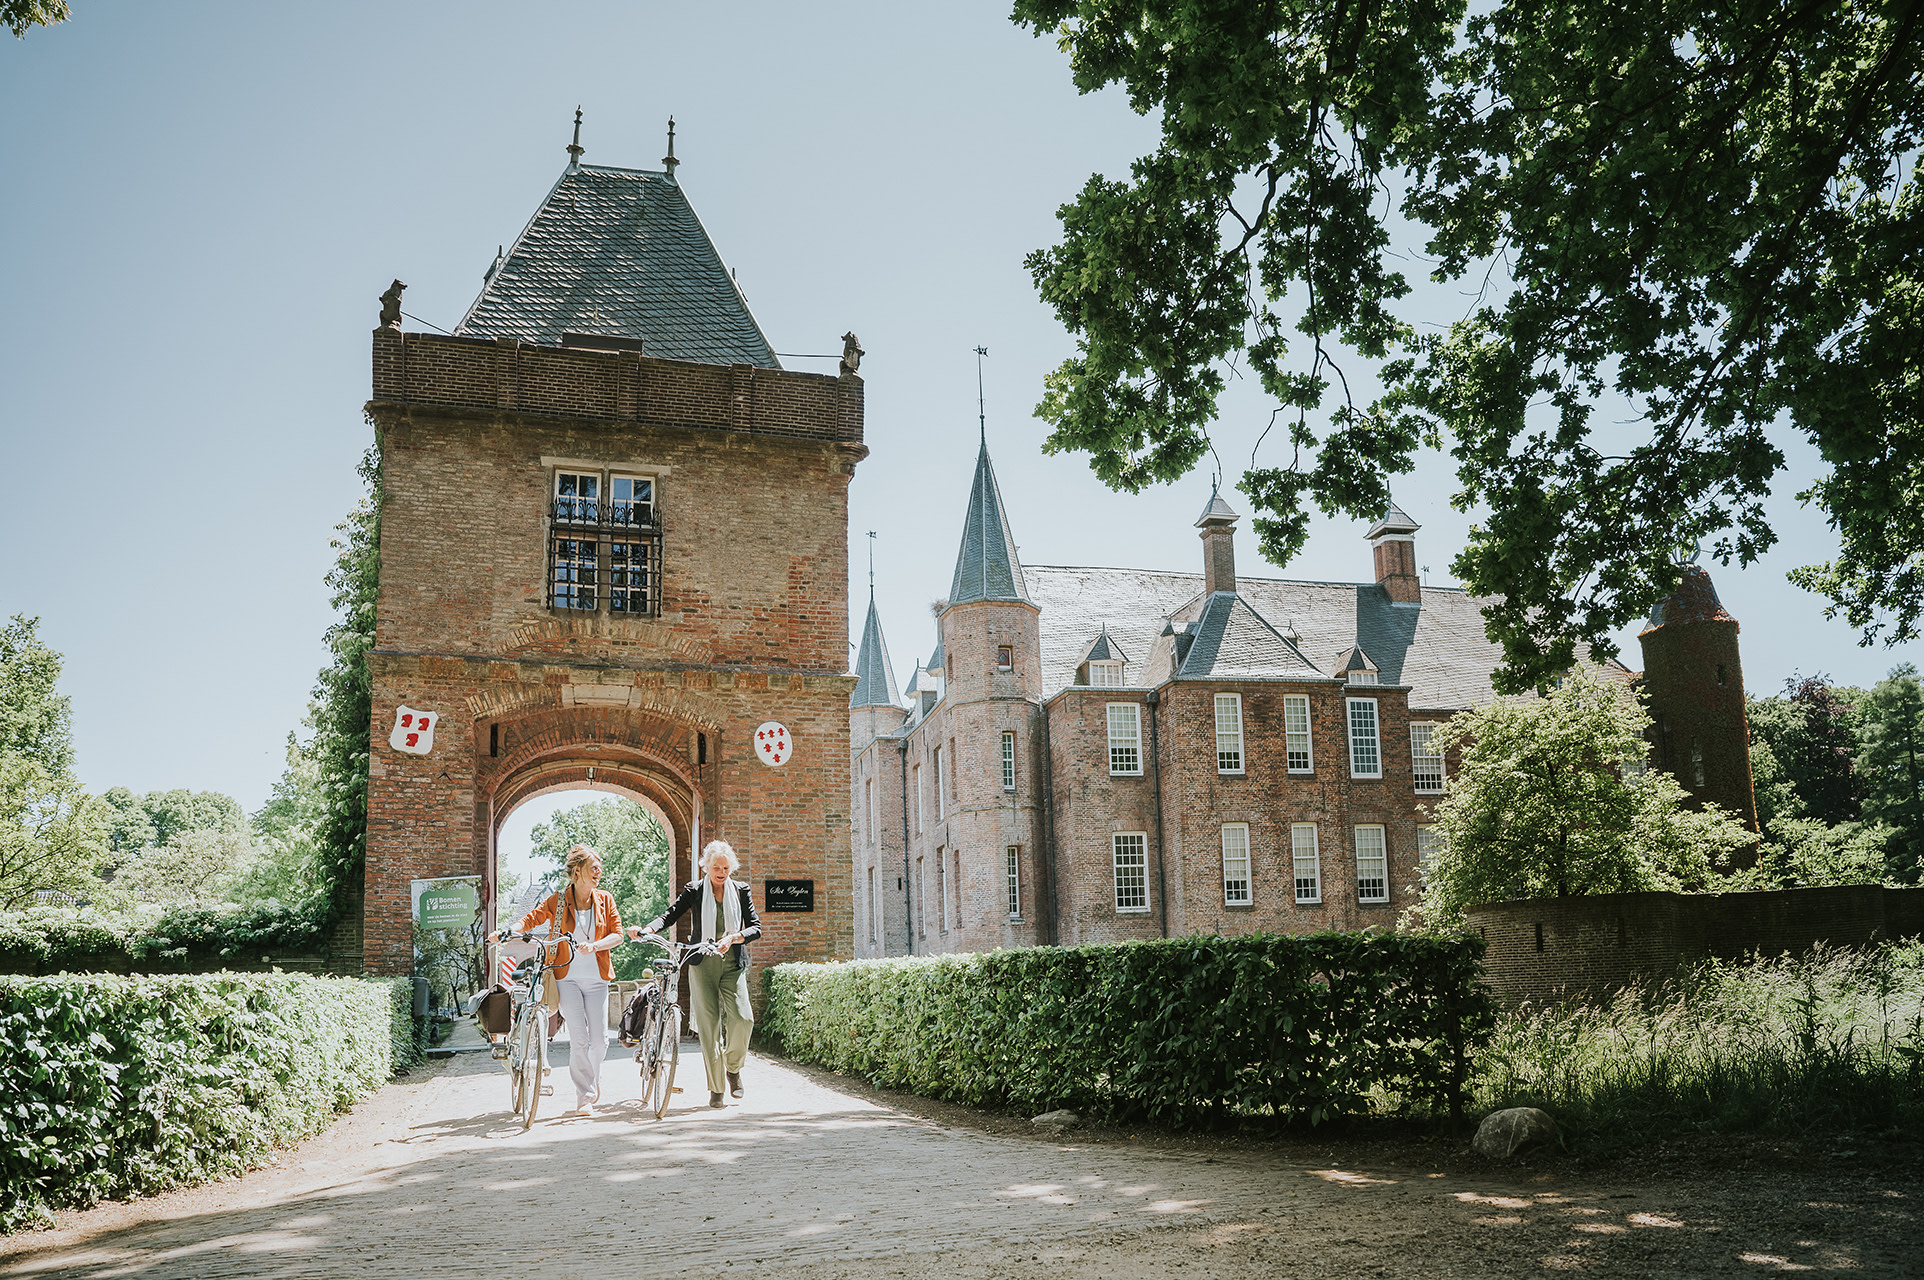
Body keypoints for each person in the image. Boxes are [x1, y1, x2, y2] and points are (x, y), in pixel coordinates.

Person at [631, 839, 761, 1108]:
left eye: (726, 867)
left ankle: (733, 1069)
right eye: (716, 867)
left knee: (743, 1018)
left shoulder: (741, 890)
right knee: (709, 1028)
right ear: (706, 866)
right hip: (701, 964)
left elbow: (756, 928)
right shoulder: (695, 890)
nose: (721, 872)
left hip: (732, 963)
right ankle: (716, 1089)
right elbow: (671, 914)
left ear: (731, 868)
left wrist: (735, 937)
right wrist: (649, 928)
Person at [516, 844, 623, 1117]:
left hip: (598, 979)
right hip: (567, 978)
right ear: (578, 871)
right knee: (579, 1038)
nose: (599, 872)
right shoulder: (559, 900)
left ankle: (592, 1081)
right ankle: (584, 1096)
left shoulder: (606, 900)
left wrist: (597, 945)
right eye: (593, 867)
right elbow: (532, 918)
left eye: (600, 868)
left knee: (600, 1041)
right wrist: (511, 929)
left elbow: (618, 935)